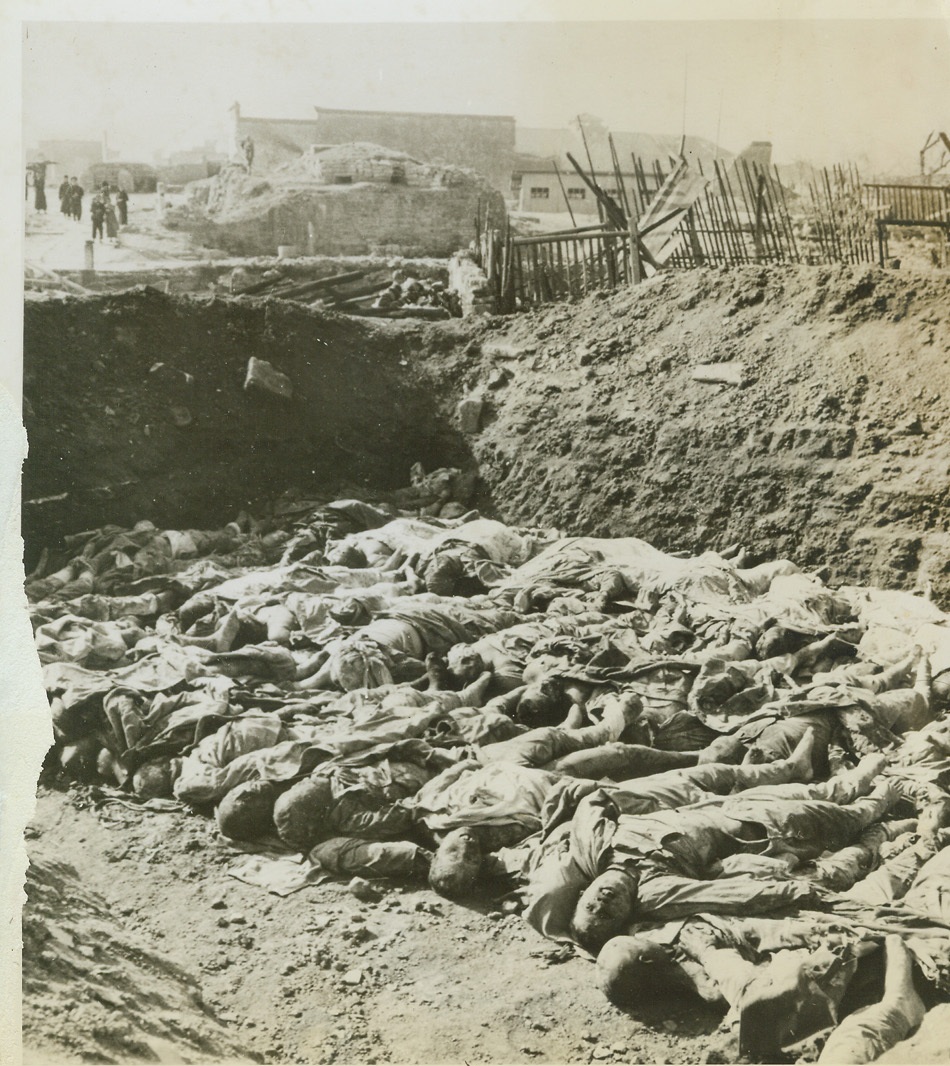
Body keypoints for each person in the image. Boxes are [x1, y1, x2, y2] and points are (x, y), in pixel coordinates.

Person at [526, 750, 899, 954]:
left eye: (591, 906)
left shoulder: (595, 846)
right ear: (626, 915)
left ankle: (873, 759)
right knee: (854, 814)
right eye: (608, 915)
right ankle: (893, 780)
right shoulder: (656, 893)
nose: (603, 902)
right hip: (768, 828)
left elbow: (593, 799)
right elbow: (733, 896)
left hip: (720, 804)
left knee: (826, 790)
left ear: (582, 893)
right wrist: (798, 891)